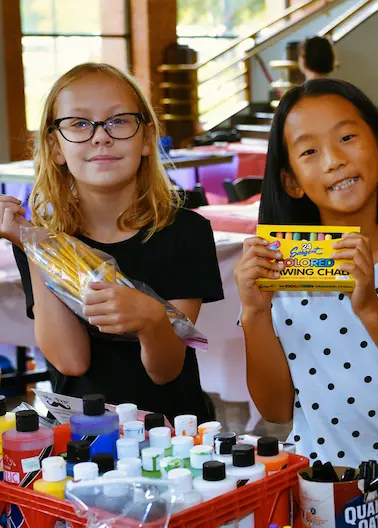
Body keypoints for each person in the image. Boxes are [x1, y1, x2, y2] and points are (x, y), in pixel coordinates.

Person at [234, 78, 378, 498]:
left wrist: (370, 309)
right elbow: (275, 411)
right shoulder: (282, 269)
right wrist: (254, 312)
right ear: (291, 180)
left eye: (346, 137)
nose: (333, 160)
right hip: (316, 490)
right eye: (310, 151)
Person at [0, 63, 222, 421]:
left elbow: (165, 371)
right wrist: (33, 245)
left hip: (173, 436)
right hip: (81, 436)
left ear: (147, 138)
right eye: (79, 124)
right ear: (56, 147)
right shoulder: (40, 238)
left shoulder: (186, 232)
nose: (100, 136)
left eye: (118, 121)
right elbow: (71, 361)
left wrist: (152, 320)